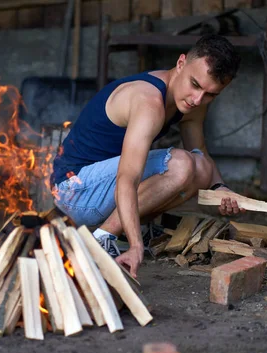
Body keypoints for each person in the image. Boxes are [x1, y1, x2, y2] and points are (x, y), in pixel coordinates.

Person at [51, 34, 244, 278]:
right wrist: (135, 247)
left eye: (210, 94)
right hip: (74, 191)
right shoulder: (148, 101)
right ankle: (104, 237)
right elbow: (127, 178)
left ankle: (124, 232)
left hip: (102, 188)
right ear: (181, 63)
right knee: (181, 164)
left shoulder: (194, 102)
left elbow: (202, 155)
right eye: (195, 85)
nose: (198, 100)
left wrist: (220, 188)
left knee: (201, 168)